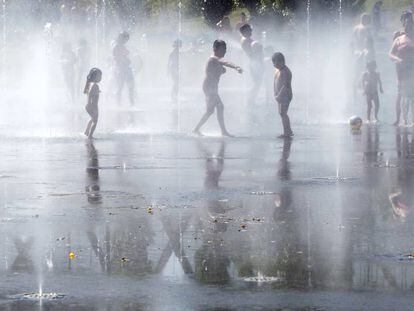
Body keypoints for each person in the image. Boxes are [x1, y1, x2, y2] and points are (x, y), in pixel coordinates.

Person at [193, 40, 243, 137]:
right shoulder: (214, 58)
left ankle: (196, 129)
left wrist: (221, 70)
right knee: (219, 107)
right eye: (223, 49)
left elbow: (221, 68)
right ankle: (223, 131)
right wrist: (236, 67)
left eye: (225, 49)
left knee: (210, 111)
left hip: (211, 87)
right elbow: (226, 62)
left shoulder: (216, 60)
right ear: (216, 49)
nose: (225, 51)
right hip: (209, 87)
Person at [390, 11, 414, 126]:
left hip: (412, 69)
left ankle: (412, 120)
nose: (409, 23)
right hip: (401, 70)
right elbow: (390, 54)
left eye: (411, 20)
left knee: (412, 94)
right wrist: (398, 60)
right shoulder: (398, 37)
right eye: (407, 20)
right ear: (403, 22)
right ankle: (399, 119)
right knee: (400, 94)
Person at [239, 24, 264, 104]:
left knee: (257, 83)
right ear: (245, 32)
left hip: (254, 62)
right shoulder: (246, 40)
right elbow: (251, 54)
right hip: (254, 63)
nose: (251, 31)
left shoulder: (247, 39)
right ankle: (250, 100)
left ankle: (251, 100)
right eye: (250, 30)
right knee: (257, 83)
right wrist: (259, 49)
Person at [272, 52, 293, 138]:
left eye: (277, 63)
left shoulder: (285, 71)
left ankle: (287, 132)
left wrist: (279, 95)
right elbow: (275, 81)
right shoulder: (277, 70)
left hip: (285, 95)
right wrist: (275, 93)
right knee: (281, 113)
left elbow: (285, 85)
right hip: (280, 95)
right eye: (274, 63)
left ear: (283, 62)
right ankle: (288, 130)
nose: (275, 65)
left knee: (283, 113)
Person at [112, 31, 134, 106]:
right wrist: (124, 60)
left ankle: (132, 103)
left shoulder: (122, 46)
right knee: (120, 87)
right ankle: (118, 104)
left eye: (127, 39)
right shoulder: (116, 46)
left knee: (131, 85)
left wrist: (126, 59)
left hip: (126, 68)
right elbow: (116, 58)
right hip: (120, 69)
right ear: (121, 38)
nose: (126, 41)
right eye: (125, 39)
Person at [84, 68, 102, 139]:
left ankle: (86, 131)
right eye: (100, 76)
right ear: (95, 77)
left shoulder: (89, 84)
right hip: (93, 105)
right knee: (95, 121)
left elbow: (87, 92)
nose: (101, 78)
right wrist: (91, 104)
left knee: (92, 118)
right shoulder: (95, 85)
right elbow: (91, 94)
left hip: (88, 105)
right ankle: (90, 135)